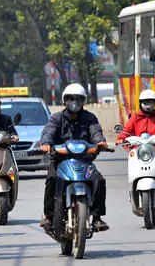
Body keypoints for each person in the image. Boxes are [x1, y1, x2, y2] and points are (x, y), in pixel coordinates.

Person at [39, 83, 109, 232]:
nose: (74, 103)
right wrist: (46, 143)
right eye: (71, 99)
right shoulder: (56, 118)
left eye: (78, 99)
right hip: (60, 160)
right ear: (65, 100)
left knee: (99, 181)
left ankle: (97, 217)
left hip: (84, 161)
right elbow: (49, 132)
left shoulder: (90, 118)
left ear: (83, 101)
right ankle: (49, 216)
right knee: (51, 180)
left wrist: (100, 142)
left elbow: (96, 132)